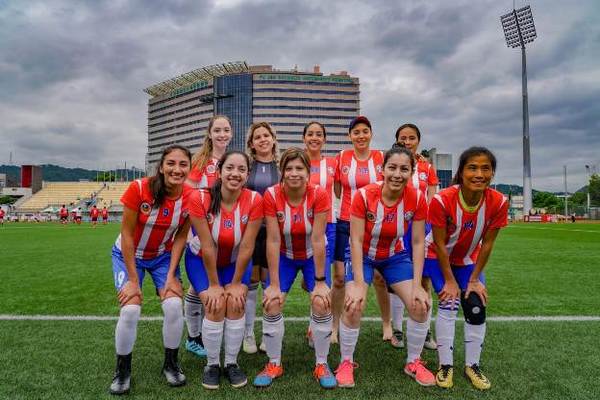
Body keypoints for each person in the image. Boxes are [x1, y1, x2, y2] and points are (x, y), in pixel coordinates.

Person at [336, 145, 435, 388]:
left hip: (394, 256)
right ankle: (346, 362)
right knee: (353, 304)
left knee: (420, 304)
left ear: (411, 172)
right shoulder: (363, 195)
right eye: (392, 167)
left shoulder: (418, 198)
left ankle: (414, 361)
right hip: (363, 255)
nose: (397, 174)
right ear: (382, 170)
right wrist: (359, 284)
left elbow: (419, 241)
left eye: (404, 169)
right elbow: (356, 240)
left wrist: (419, 284)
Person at [108, 145, 193, 395]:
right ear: (162, 166)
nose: (177, 169)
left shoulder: (191, 197)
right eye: (171, 163)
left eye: (183, 164)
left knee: (174, 306)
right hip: (128, 254)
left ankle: (171, 364)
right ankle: (122, 370)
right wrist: (134, 280)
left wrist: (170, 275)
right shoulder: (139, 188)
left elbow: (181, 237)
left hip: (162, 257)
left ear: (189, 168)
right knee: (131, 310)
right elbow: (126, 233)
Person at [426, 146, 508, 390]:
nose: (479, 174)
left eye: (485, 168)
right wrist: (450, 281)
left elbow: (488, 244)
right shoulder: (443, 200)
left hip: (467, 260)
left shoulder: (499, 202)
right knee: (449, 300)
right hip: (436, 256)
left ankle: (472, 365)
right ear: (461, 172)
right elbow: (439, 245)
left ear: (492, 173)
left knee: (476, 305)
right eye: (472, 167)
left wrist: (473, 280)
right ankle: (445, 365)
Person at [253, 148, 335, 389]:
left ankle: (322, 363)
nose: (294, 173)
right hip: (284, 255)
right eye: (289, 168)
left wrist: (320, 282)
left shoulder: (319, 194)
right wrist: (275, 284)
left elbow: (319, 239)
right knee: (272, 301)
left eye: (299, 168)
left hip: (312, 255)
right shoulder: (271, 195)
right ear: (282, 172)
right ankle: (274, 362)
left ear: (308, 172)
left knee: (321, 302)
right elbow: (274, 240)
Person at [181, 150, 264, 389]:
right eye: (229, 168)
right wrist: (215, 285)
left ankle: (231, 363)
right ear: (219, 172)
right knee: (215, 305)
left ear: (247, 175)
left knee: (236, 303)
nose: (234, 174)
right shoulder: (200, 198)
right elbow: (207, 246)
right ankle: (212, 364)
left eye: (241, 169)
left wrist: (237, 283)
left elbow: (247, 246)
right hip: (202, 263)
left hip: (235, 264)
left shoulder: (254, 200)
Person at [332, 116, 388, 343]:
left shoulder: (381, 158)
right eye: (356, 132)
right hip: (346, 223)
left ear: (371, 133)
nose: (361, 135)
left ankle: (387, 325)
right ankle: (334, 326)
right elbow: (337, 189)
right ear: (350, 136)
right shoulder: (342, 158)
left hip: (376, 225)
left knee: (380, 279)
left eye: (365, 131)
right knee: (339, 279)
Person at [184, 115, 234, 359]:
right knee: (198, 285)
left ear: (231, 133)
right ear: (210, 134)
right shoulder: (200, 161)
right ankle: (194, 337)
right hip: (201, 233)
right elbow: (187, 197)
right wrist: (190, 234)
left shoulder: (232, 161)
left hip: (225, 232)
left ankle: (205, 333)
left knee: (214, 284)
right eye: (218, 130)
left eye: (226, 130)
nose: (222, 134)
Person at [389, 123, 439, 350]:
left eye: (411, 138)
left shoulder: (427, 167)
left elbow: (431, 198)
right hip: (398, 224)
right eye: (403, 138)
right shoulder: (394, 163)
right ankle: (397, 329)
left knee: (424, 278)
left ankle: (425, 329)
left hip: (421, 226)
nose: (407, 142)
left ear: (418, 140)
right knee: (397, 278)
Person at [242, 122, 280, 354]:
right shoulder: (247, 167)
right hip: (250, 231)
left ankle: (268, 332)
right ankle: (248, 333)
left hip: (274, 232)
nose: (263, 139)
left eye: (266, 135)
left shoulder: (281, 167)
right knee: (251, 281)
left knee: (270, 280)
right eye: (258, 137)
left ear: (273, 139)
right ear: (252, 144)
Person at [303, 121, 337, 348]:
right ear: (304, 137)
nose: (314, 137)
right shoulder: (296, 162)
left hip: (328, 225)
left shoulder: (334, 163)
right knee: (308, 280)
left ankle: (316, 326)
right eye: (310, 134)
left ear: (324, 139)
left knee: (323, 277)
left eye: (319, 134)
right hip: (301, 227)